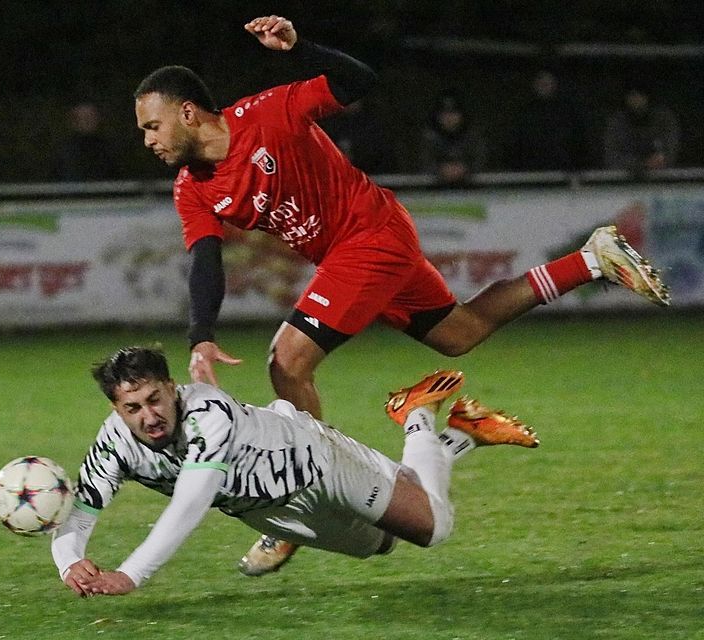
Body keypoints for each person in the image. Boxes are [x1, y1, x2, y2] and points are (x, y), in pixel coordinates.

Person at [132, 15, 669, 575]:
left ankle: (306, 502)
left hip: (369, 235)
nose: (147, 140)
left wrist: (300, 48)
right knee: (459, 334)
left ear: (188, 112)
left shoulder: (268, 114)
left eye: (152, 125)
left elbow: (360, 81)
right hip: (362, 248)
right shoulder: (192, 187)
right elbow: (206, 259)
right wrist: (202, 336)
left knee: (287, 364)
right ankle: (590, 259)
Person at [51, 346, 539, 596]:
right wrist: (70, 559)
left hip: (318, 463)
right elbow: (83, 509)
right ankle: (463, 433)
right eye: (132, 407)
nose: (148, 416)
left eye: (155, 399)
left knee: (433, 528)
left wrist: (132, 574)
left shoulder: (209, 414)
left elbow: (191, 501)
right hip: (271, 514)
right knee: (383, 542)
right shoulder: (115, 443)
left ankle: (416, 413)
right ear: (117, 409)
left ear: (172, 388)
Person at [509, 69, 590, 171]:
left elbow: (578, 143)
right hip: (532, 175)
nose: (544, 85)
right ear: (534, 84)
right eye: (541, 81)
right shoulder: (525, 114)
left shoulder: (568, 113)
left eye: (548, 82)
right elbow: (518, 146)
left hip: (564, 175)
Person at [603, 83, 681, 174]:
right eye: (632, 95)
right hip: (624, 179)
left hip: (662, 177)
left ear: (647, 97)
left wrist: (660, 160)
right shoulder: (617, 122)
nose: (636, 100)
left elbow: (670, 150)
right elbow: (611, 156)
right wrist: (641, 165)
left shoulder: (664, 119)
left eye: (640, 95)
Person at [418, 90, 487, 184]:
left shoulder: (472, 137)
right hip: (434, 191)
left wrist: (465, 169)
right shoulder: (429, 138)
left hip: (471, 190)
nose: (449, 118)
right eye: (444, 114)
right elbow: (423, 162)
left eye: (453, 113)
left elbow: (481, 160)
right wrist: (440, 170)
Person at [50, 102, 120, 182]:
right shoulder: (63, 151)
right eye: (81, 118)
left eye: (90, 117)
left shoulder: (109, 150)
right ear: (73, 121)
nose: (86, 122)